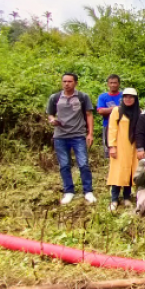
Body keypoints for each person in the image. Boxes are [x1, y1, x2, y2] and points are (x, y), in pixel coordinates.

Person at [45, 72, 95, 205]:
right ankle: (69, 191)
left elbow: (89, 114)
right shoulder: (55, 98)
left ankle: (88, 191)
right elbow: (50, 114)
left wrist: (90, 133)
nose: (67, 84)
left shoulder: (82, 97)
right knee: (64, 165)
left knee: (83, 163)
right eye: (64, 81)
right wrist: (52, 120)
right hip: (60, 136)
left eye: (70, 81)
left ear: (75, 83)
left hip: (78, 135)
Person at [107, 87, 140, 211]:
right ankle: (114, 199)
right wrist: (112, 146)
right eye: (126, 96)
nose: (128, 99)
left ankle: (127, 197)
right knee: (118, 172)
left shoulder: (138, 112)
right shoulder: (117, 110)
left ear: (135, 99)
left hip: (133, 148)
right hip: (119, 147)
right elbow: (112, 129)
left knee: (130, 172)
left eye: (131, 97)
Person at [96, 74, 122, 158]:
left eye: (115, 83)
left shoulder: (124, 96)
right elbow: (101, 111)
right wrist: (116, 108)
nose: (113, 85)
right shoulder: (103, 97)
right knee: (109, 148)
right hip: (108, 125)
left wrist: (108, 110)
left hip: (123, 125)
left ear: (119, 84)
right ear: (108, 84)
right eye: (111, 83)